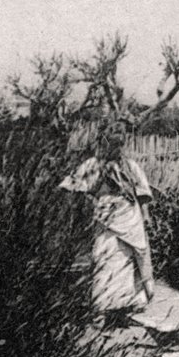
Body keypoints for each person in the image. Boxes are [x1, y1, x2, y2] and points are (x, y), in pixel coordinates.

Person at [59, 119, 155, 324]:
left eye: (118, 145)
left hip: (130, 216)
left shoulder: (130, 166)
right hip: (106, 217)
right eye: (111, 144)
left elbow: (143, 194)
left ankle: (124, 308)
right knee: (105, 259)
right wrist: (87, 203)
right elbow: (73, 185)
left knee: (128, 261)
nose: (114, 148)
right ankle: (102, 309)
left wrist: (145, 217)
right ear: (104, 143)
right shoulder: (93, 165)